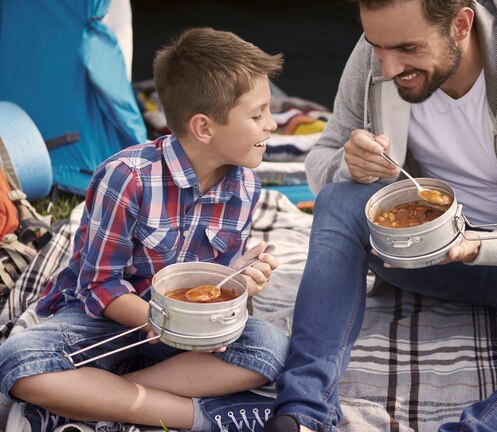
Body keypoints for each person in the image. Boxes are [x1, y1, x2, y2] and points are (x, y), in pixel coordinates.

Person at [263, 0, 497, 431]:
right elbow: (323, 164)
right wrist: (348, 164)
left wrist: (482, 246)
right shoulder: (374, 52)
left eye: (407, 50)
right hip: (417, 257)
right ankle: (302, 410)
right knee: (339, 200)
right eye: (379, 48)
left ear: (460, 24)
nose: (390, 67)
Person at [0, 27, 289, 432]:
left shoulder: (244, 186)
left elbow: (209, 283)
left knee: (271, 348)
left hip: (182, 327)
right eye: (257, 114)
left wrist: (236, 282)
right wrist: (163, 326)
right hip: (103, 317)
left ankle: (95, 396)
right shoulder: (127, 177)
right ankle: (190, 416)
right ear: (204, 128)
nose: (272, 124)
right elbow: (99, 284)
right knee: (17, 359)